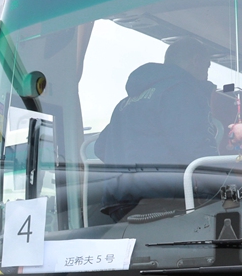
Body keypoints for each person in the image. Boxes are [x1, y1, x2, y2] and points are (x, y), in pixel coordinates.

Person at [95, 37, 242, 216]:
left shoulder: (125, 103)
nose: (207, 75)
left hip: (119, 206)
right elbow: (198, 152)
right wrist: (232, 197)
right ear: (196, 61)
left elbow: (100, 148)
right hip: (164, 203)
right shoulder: (182, 91)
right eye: (207, 67)